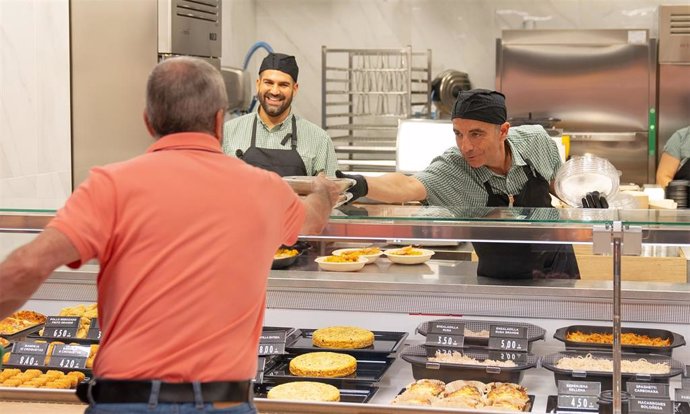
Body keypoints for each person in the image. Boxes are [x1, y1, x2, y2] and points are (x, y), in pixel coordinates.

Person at [0, 56, 339, 413]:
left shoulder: (110, 185)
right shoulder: (265, 188)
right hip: (223, 401)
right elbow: (312, 223)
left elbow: (26, 265)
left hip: (126, 401)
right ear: (220, 121)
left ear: (148, 122)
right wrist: (320, 190)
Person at [339, 89, 581, 279]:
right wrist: (359, 184)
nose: (465, 146)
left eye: (476, 134)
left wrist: (583, 197)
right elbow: (407, 185)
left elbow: (557, 184)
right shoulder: (454, 167)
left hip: (559, 267)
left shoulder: (536, 140)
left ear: (503, 131)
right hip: (499, 277)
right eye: (458, 134)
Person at [223, 52, 338, 177]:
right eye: (268, 82)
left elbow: (331, 193)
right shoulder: (228, 132)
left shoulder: (319, 139)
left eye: (283, 85)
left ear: (295, 89)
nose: (275, 91)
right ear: (258, 84)